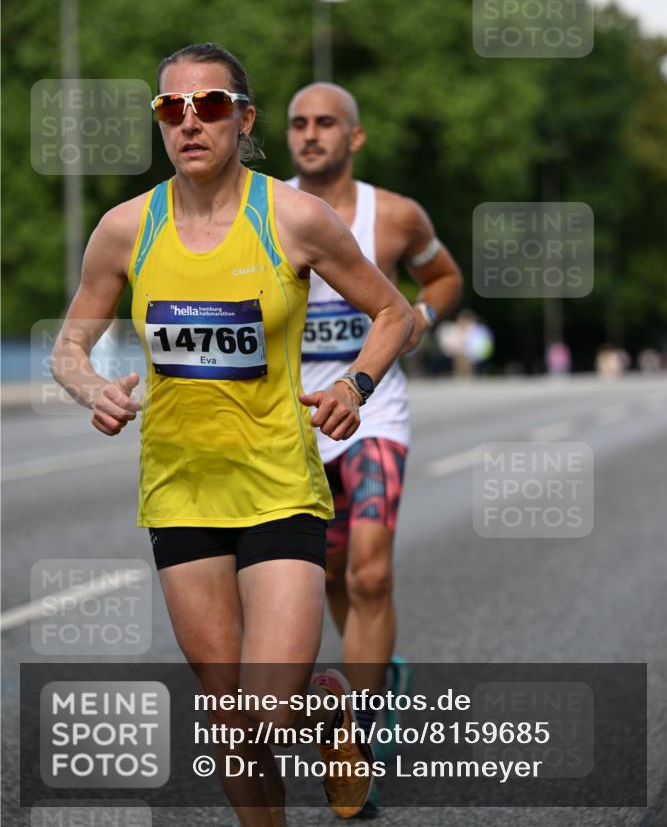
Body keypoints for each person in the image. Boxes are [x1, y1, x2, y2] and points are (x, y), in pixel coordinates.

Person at [51, 44, 414, 826]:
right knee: (231, 724)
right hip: (182, 490)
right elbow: (68, 347)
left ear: (243, 121)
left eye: (209, 105)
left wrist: (354, 383)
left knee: (269, 711)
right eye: (170, 108)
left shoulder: (292, 217)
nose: (189, 121)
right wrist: (94, 389)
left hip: (279, 482)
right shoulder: (125, 229)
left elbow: (397, 313)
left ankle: (328, 713)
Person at [286, 82, 462, 813]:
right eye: (298, 123)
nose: (310, 134)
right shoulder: (268, 211)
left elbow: (444, 276)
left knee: (368, 572)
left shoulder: (393, 215)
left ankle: (360, 727)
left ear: (353, 137)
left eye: (326, 123)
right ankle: (376, 672)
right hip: (293, 422)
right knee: (329, 572)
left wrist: (419, 314)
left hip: (373, 412)